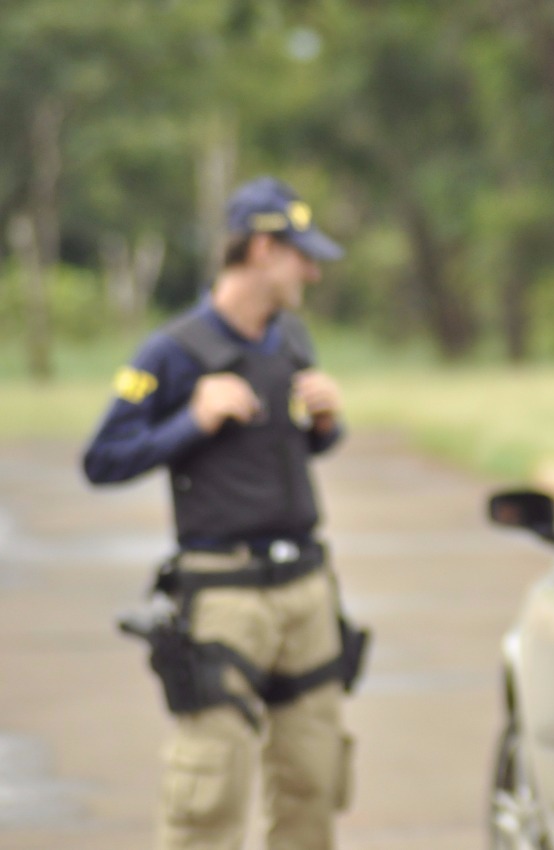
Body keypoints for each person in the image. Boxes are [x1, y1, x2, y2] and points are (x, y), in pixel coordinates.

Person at [83, 176, 365, 850]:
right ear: (262, 250)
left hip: (306, 590)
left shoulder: (292, 339)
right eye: (302, 257)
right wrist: (192, 421)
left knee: (313, 782)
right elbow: (103, 459)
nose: (313, 273)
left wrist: (327, 423)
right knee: (209, 796)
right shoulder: (171, 352)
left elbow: (291, 449)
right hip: (224, 597)